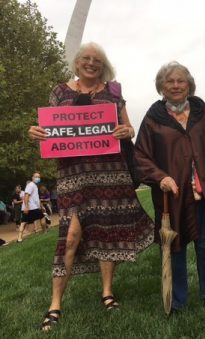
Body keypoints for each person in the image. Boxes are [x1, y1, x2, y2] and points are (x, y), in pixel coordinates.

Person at [28, 42, 154, 331]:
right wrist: (36, 132)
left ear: (103, 65)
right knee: (70, 236)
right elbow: (49, 129)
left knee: (107, 232)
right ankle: (55, 302)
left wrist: (126, 131)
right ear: (77, 62)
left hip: (110, 173)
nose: (91, 63)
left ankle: (107, 292)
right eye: (86, 58)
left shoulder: (113, 92)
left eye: (97, 60)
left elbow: (128, 128)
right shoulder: (60, 92)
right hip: (73, 175)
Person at [134, 61, 205, 312]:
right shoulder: (153, 118)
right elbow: (141, 156)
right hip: (172, 196)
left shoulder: (202, 112)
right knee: (174, 247)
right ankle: (177, 300)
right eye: (170, 81)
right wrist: (160, 177)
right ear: (161, 87)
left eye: (181, 81)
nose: (175, 85)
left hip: (203, 193)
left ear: (189, 85)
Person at [17, 172, 47, 242]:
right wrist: (27, 207)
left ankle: (19, 239)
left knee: (23, 222)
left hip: (31, 207)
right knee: (42, 217)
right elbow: (26, 196)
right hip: (32, 207)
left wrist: (41, 206)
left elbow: (36, 198)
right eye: (36, 177)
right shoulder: (31, 185)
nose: (38, 178)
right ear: (32, 178)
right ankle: (45, 232)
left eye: (39, 177)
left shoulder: (34, 186)